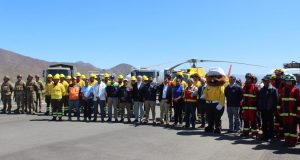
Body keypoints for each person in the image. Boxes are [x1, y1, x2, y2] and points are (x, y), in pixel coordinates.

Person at [279, 74, 300, 147]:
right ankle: (287, 140)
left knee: (293, 128)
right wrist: (280, 111)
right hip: (285, 113)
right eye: (287, 81)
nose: (288, 82)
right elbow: (280, 101)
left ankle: (293, 141)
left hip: (293, 113)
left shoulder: (296, 90)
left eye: (289, 81)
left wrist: (298, 113)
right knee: (286, 127)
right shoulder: (283, 89)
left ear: (293, 81)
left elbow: (298, 102)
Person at [257, 74, 279, 141]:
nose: (264, 82)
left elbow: (276, 100)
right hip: (263, 109)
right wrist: (259, 107)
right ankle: (265, 136)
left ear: (269, 81)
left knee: (270, 123)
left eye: (265, 81)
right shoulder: (262, 90)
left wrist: (273, 109)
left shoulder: (274, 90)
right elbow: (259, 99)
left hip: (270, 110)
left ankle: (271, 136)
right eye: (263, 81)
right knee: (264, 123)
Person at [241, 73, 260, 137]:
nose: (247, 79)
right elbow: (243, 97)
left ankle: (254, 133)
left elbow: (258, 97)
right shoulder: (244, 86)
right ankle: (246, 132)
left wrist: (257, 105)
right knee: (245, 120)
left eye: (249, 78)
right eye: (246, 78)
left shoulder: (255, 87)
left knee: (253, 121)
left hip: (252, 107)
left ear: (251, 79)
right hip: (246, 107)